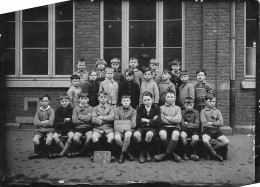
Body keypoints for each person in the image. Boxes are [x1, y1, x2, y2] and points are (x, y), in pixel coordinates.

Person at [154, 91, 182, 162]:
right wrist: (173, 119)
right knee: (162, 134)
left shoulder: (178, 108)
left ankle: (164, 155)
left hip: (175, 127)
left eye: (172, 97)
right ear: (165, 98)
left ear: (175, 98)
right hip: (164, 126)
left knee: (176, 134)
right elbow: (162, 120)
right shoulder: (161, 108)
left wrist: (168, 118)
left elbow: (178, 120)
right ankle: (172, 154)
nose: (170, 98)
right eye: (168, 97)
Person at [134, 91, 161, 163]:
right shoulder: (140, 108)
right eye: (145, 100)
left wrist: (146, 120)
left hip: (153, 129)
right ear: (142, 101)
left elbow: (158, 123)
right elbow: (138, 122)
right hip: (142, 127)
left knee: (149, 134)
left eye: (148, 100)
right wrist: (152, 121)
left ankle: (144, 152)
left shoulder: (156, 108)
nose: (147, 102)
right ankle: (144, 151)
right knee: (136, 135)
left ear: (152, 100)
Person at [201, 93, 229, 162]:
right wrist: (216, 123)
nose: (212, 103)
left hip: (217, 131)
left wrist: (211, 123)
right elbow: (204, 124)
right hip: (207, 131)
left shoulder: (218, 111)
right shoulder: (203, 111)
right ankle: (215, 154)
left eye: (214, 101)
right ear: (205, 101)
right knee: (205, 141)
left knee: (226, 142)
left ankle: (211, 151)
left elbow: (221, 123)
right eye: (210, 101)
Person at [28, 94, 55, 159]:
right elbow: (35, 123)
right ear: (40, 102)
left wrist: (42, 123)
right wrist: (44, 122)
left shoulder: (51, 111)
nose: (44, 103)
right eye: (42, 101)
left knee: (49, 139)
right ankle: (42, 152)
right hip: (39, 130)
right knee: (35, 140)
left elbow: (50, 123)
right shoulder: (38, 112)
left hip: (49, 129)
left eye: (46, 101)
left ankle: (45, 152)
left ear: (49, 102)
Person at [68, 93, 93, 157]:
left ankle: (81, 152)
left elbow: (90, 119)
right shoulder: (75, 109)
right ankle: (84, 150)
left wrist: (79, 116)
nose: (84, 100)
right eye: (82, 99)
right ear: (79, 99)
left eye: (85, 99)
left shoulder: (91, 108)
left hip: (88, 127)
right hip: (78, 128)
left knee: (89, 137)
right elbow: (74, 121)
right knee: (75, 138)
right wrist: (85, 119)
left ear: (88, 100)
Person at [91, 91, 115, 159]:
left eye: (105, 97)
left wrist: (102, 117)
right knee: (94, 137)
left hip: (108, 128)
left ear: (107, 98)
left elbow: (112, 117)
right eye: (101, 97)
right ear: (98, 98)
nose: (103, 98)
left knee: (111, 137)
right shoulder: (95, 108)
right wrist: (105, 121)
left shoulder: (111, 108)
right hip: (98, 128)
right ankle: (101, 155)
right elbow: (93, 119)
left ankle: (106, 154)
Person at [50, 94, 74, 158]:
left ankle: (62, 153)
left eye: (66, 101)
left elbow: (73, 120)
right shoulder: (58, 110)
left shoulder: (72, 110)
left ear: (69, 101)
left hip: (69, 128)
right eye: (62, 101)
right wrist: (64, 120)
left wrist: (69, 121)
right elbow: (56, 120)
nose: (64, 103)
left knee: (71, 136)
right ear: (60, 102)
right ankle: (66, 151)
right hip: (60, 128)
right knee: (55, 137)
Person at [114, 95, 136, 163]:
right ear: (121, 102)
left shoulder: (133, 111)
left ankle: (122, 154)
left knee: (127, 135)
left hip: (129, 129)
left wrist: (122, 125)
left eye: (127, 101)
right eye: (124, 101)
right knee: (117, 138)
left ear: (130, 102)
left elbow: (133, 124)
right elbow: (116, 122)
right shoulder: (117, 109)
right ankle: (128, 153)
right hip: (119, 130)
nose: (126, 102)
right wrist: (123, 125)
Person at [180, 97, 200, 161]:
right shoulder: (182, 112)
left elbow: (197, 125)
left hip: (194, 130)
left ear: (193, 104)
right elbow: (182, 125)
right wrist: (191, 125)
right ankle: (185, 153)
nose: (189, 107)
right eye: (187, 105)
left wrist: (187, 124)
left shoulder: (196, 113)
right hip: (185, 130)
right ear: (184, 105)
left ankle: (190, 152)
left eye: (190, 105)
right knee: (182, 136)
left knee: (195, 138)